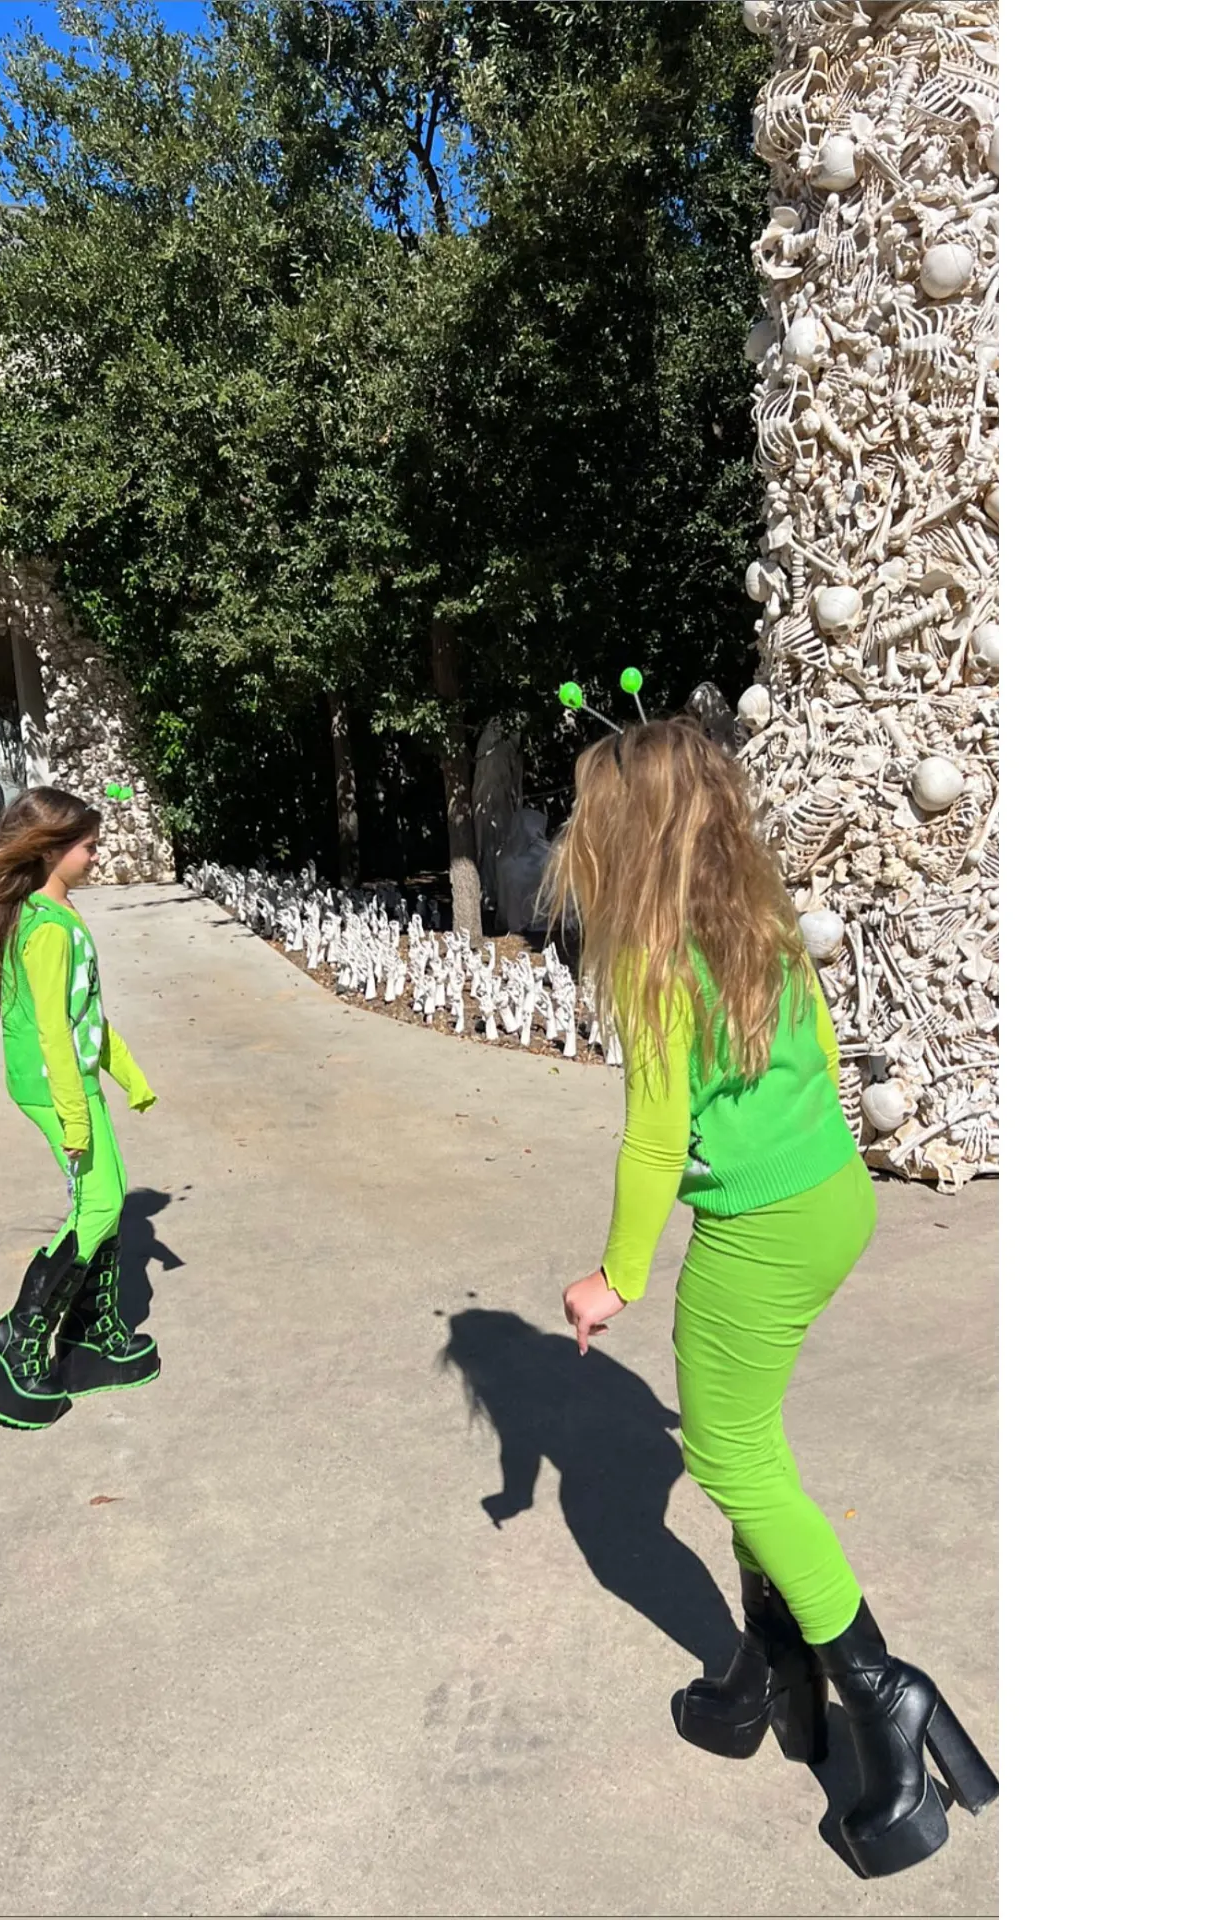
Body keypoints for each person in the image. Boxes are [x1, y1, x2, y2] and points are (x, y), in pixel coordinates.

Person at [538, 719, 996, 1880]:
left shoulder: (652, 965)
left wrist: (616, 1276)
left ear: (627, 838)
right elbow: (824, 1056)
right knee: (751, 1437)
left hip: (761, 1231)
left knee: (733, 1458)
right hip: (833, 1197)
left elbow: (656, 1141)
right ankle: (773, 1676)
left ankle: (881, 1691)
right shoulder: (760, 925)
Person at [0, 788, 162, 1430]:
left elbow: (88, 1016)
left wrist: (130, 1075)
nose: (96, 854)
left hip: (71, 1080)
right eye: (88, 845)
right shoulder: (47, 929)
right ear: (51, 850)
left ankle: (90, 1337)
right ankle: (15, 1343)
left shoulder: (57, 914)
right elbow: (55, 1029)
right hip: (55, 1085)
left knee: (106, 1199)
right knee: (100, 1204)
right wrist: (74, 1112)